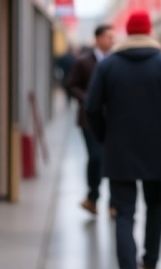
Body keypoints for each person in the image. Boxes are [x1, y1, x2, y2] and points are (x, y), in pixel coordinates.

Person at [86, 10, 161, 269]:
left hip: (118, 149)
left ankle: (127, 265)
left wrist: (103, 136)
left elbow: (91, 107)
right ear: (148, 31)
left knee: (123, 212)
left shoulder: (108, 64)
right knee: (155, 205)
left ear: (129, 33)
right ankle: (151, 261)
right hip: (155, 148)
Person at [65, 24, 116, 216]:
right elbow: (71, 84)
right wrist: (88, 99)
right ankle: (93, 198)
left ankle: (113, 203)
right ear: (98, 39)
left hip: (113, 119)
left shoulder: (115, 61)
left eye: (113, 37)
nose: (112, 41)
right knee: (95, 157)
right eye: (109, 37)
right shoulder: (83, 61)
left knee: (112, 159)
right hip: (89, 119)